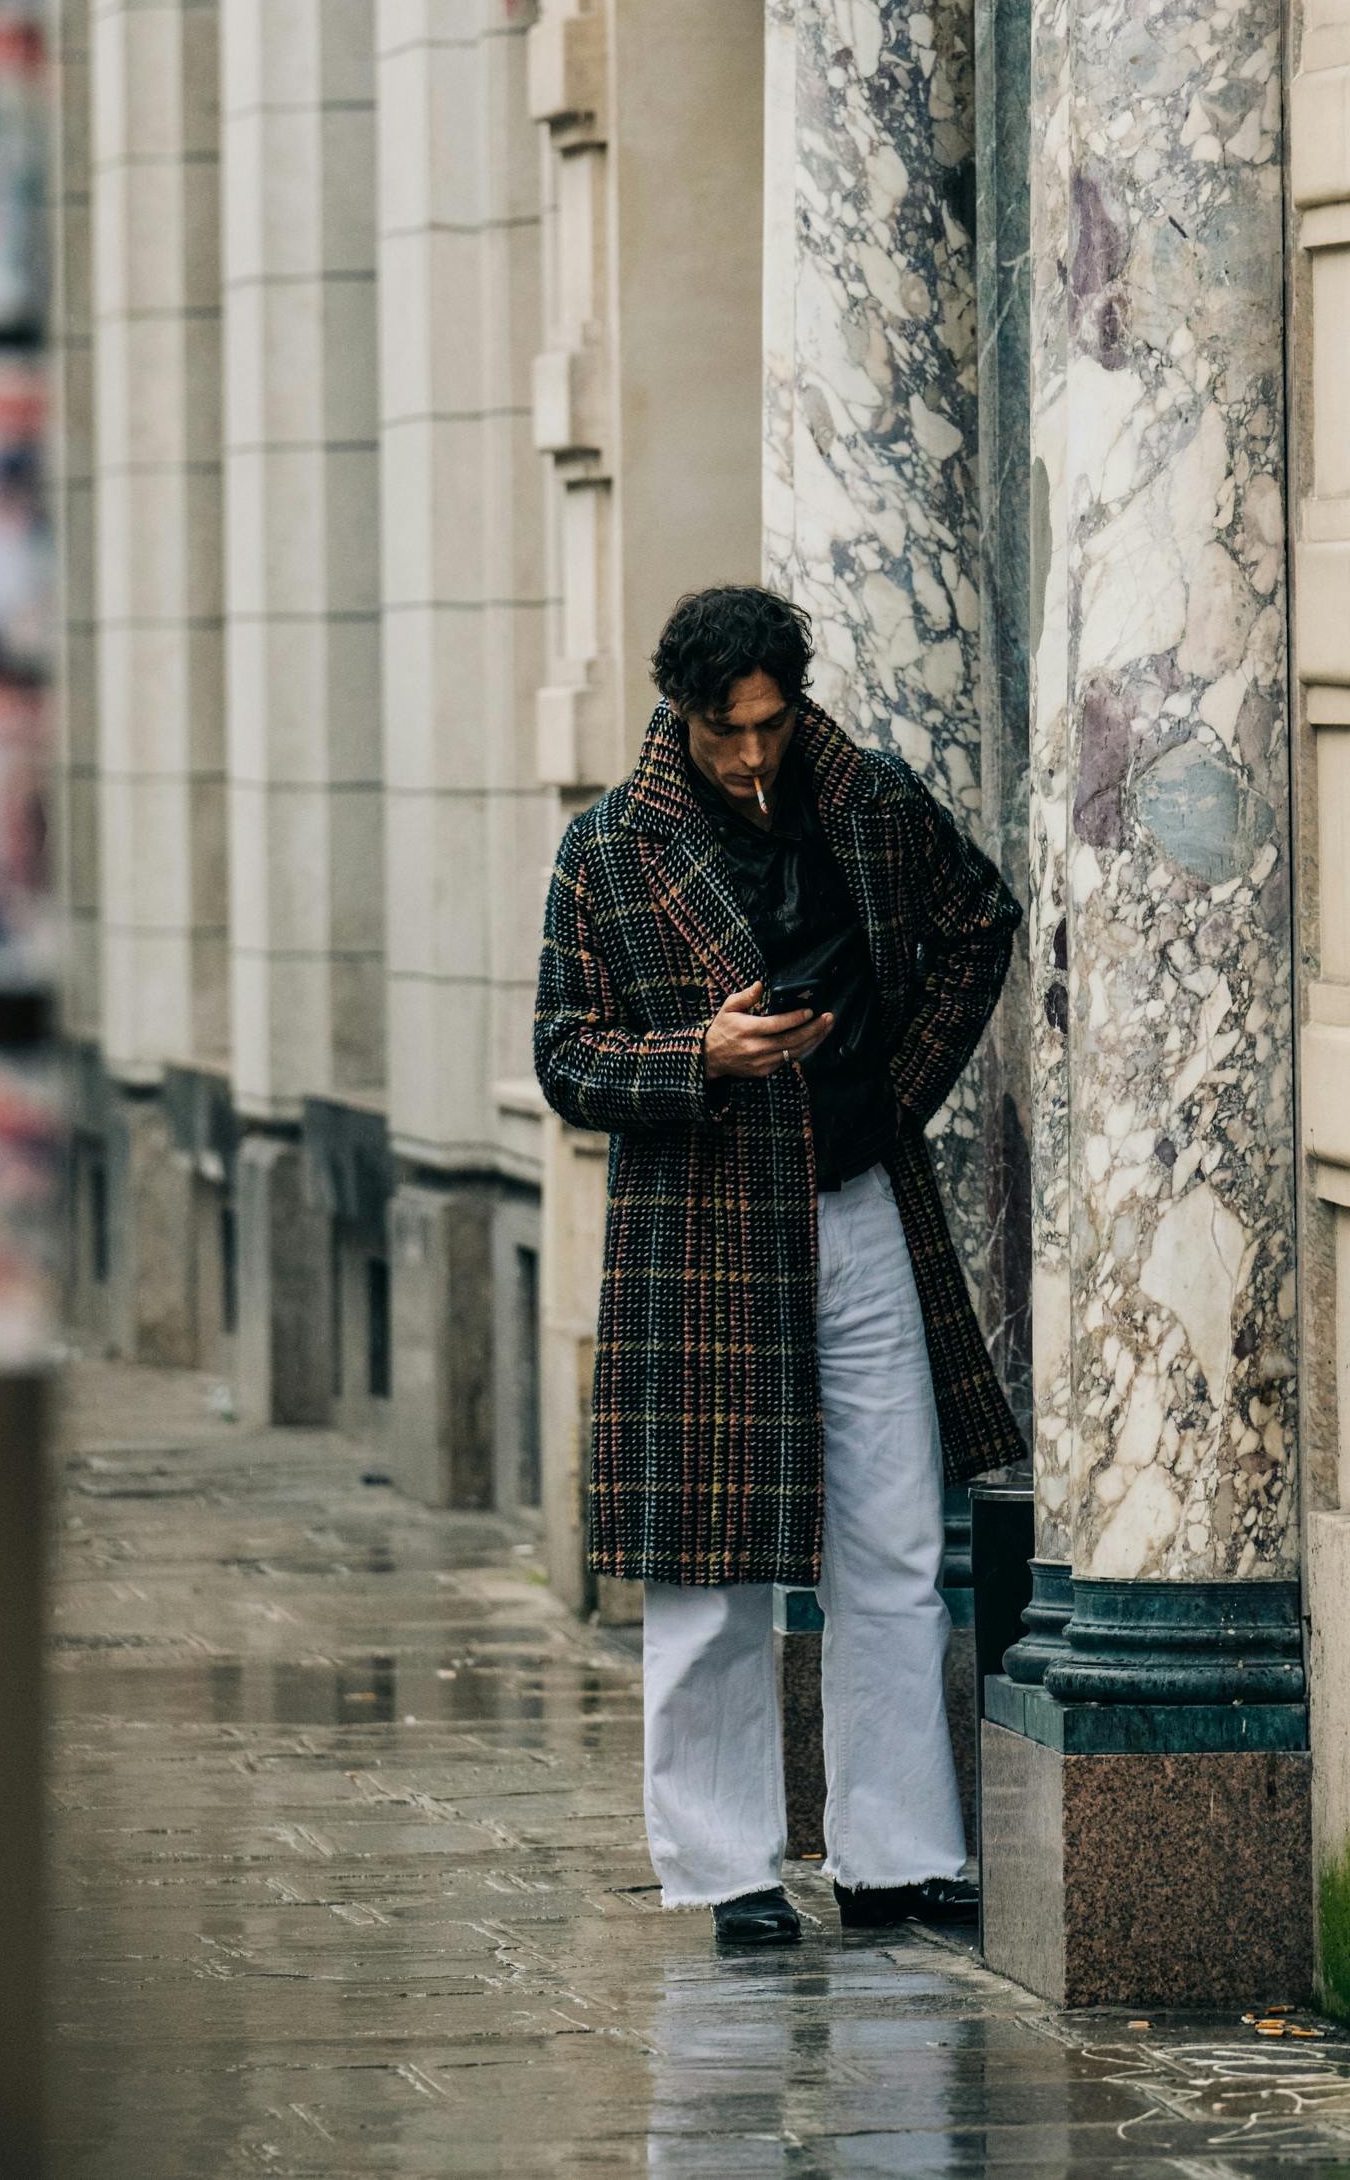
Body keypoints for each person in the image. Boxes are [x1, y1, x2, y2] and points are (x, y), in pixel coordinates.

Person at [534, 586, 1024, 1949]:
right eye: (723, 732)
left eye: (769, 725)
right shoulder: (610, 849)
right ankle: (728, 1870)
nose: (751, 757)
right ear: (682, 716)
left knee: (896, 1539)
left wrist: (889, 1093)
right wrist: (698, 1055)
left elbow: (979, 921)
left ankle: (898, 1857)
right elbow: (564, 1055)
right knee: (709, 1569)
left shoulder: (862, 797)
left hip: (861, 1201)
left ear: (793, 700)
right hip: (698, 1229)